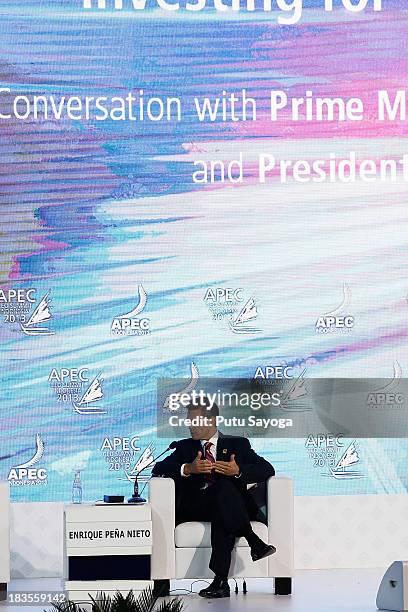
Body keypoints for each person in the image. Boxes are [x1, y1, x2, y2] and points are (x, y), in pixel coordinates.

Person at [152, 398, 276, 599]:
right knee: (223, 493)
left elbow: (267, 469)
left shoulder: (238, 444)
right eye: (188, 421)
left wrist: (238, 471)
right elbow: (158, 468)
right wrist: (188, 468)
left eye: (195, 421)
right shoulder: (184, 447)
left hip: (228, 506)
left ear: (211, 420)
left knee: (223, 497)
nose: (190, 425)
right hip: (197, 505)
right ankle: (254, 541)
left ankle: (221, 581)